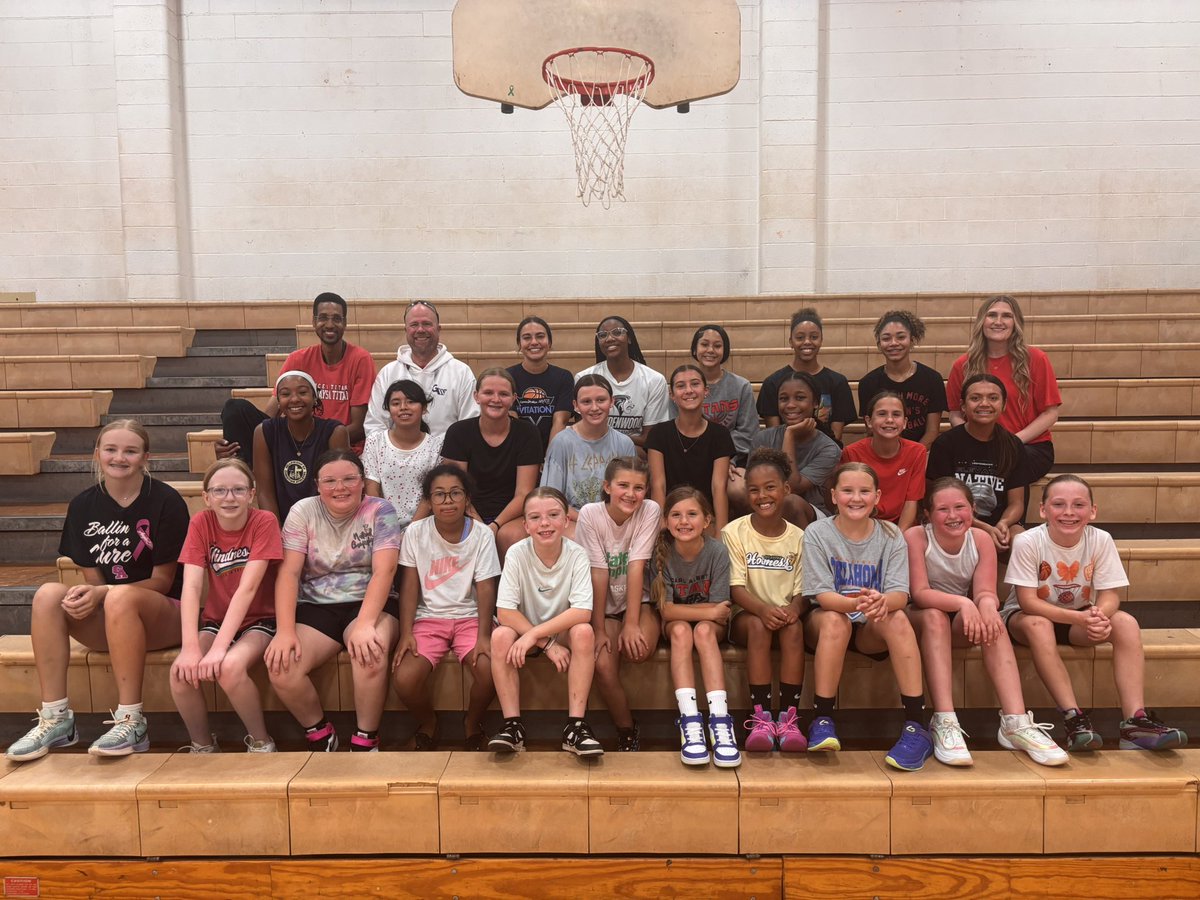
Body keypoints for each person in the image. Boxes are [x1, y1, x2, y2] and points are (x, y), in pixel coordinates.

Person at [6, 420, 189, 761]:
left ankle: (132, 720)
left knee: (119, 595)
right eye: (111, 449)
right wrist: (88, 597)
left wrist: (104, 593)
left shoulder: (166, 501)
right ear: (97, 454)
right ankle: (56, 718)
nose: (120, 457)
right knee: (48, 595)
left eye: (130, 451)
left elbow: (162, 582)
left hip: (167, 616)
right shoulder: (82, 506)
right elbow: (94, 582)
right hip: (116, 615)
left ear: (145, 457)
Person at [1002, 474, 1187, 752]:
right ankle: (1073, 718)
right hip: (1025, 619)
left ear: (1093, 511)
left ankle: (1135, 723)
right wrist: (1081, 618)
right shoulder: (1029, 541)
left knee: (1125, 622)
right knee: (1039, 624)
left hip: (1078, 617)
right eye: (1059, 504)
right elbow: (1028, 602)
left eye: (1078, 505)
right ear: (1042, 510)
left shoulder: (1101, 539)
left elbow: (1110, 595)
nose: (1068, 512)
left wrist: (1098, 616)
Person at [905, 477, 1068, 767]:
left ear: (973, 509)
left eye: (960, 507)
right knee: (934, 617)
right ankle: (944, 720)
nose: (953, 515)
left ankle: (1015, 722)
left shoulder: (980, 539)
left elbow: (985, 591)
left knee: (992, 621)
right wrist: (964, 603)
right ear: (928, 514)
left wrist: (988, 606)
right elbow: (919, 593)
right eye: (943, 509)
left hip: (959, 618)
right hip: (918, 619)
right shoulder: (916, 537)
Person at [266, 449, 401, 753]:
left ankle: (366, 738)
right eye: (329, 481)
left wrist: (365, 624)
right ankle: (320, 732)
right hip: (317, 605)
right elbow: (288, 573)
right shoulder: (303, 511)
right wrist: (284, 631)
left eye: (349, 479)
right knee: (281, 665)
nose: (340, 488)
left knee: (370, 649)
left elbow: (385, 571)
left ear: (362, 482)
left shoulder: (380, 510)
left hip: (370, 601)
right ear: (317, 484)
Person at [802, 462, 933, 771]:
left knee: (897, 618)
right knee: (835, 620)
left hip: (871, 625)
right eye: (847, 490)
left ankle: (916, 726)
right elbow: (822, 595)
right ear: (833, 496)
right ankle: (822, 720)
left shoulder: (890, 534)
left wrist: (882, 601)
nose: (856, 498)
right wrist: (858, 602)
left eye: (864, 491)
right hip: (826, 622)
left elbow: (900, 594)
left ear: (877, 496)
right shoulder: (817, 532)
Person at [171, 459, 282, 753]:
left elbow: (248, 588)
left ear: (251, 494)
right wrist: (190, 648)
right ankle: (203, 746)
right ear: (206, 497)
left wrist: (219, 648)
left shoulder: (264, 521)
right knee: (180, 672)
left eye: (238, 490)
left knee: (229, 668)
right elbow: (191, 587)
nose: (229, 497)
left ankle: (262, 743)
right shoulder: (201, 523)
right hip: (217, 620)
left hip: (261, 619)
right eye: (219, 490)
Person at [487, 488, 603, 757]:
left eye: (553, 515)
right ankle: (513, 726)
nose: (545, 523)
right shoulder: (517, 553)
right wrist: (545, 643)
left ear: (566, 520)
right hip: (527, 633)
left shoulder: (577, 554)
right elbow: (505, 612)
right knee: (500, 635)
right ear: (525, 525)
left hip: (557, 633)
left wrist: (537, 636)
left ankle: (575, 728)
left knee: (584, 631)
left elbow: (582, 612)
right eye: (535, 517)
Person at [393, 466, 500, 751]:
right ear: (428, 501)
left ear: (467, 499)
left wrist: (484, 636)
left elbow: (486, 588)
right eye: (439, 495)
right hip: (429, 619)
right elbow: (409, 587)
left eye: (455, 493)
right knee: (404, 679)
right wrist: (406, 633)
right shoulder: (415, 532)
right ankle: (428, 723)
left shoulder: (482, 535)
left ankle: (472, 724)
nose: (448, 501)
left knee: (490, 671)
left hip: (471, 618)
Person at [218, 291, 376, 463]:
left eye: (337, 319)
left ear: (345, 323)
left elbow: (358, 427)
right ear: (314, 322)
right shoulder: (297, 359)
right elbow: (269, 416)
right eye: (323, 318)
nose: (330, 324)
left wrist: (314, 442)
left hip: (332, 445)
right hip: (294, 441)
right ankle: (235, 465)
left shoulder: (360, 359)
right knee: (235, 409)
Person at [722, 449, 807, 754]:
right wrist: (762, 609)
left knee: (794, 629)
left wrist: (794, 609)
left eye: (770, 487)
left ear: (786, 489)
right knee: (759, 627)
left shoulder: (799, 537)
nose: (762, 496)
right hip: (746, 613)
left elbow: (802, 591)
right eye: (754, 490)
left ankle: (789, 719)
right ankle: (760, 718)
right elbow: (736, 588)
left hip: (785, 613)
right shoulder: (733, 532)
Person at [575, 457, 662, 751]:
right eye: (623, 485)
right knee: (602, 664)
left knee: (638, 650)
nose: (631, 494)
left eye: (639, 487)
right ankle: (627, 729)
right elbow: (598, 572)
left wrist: (632, 623)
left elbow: (636, 565)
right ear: (607, 486)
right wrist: (599, 629)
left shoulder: (650, 510)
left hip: (639, 600)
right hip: (604, 605)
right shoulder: (590, 514)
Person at [652, 486, 739, 767]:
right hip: (678, 624)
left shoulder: (717, 551)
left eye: (692, 514)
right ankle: (690, 721)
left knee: (702, 630)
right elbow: (666, 611)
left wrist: (708, 613)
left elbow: (722, 609)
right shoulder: (661, 552)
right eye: (676, 515)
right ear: (666, 521)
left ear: (707, 520)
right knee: (680, 630)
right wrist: (708, 610)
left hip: (710, 626)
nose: (684, 521)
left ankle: (720, 722)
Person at [946, 295, 1061, 482]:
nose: (998, 321)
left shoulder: (1036, 359)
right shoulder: (963, 364)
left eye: (1007, 316)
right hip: (979, 446)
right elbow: (955, 414)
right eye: (992, 315)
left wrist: (1011, 442)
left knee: (1005, 464)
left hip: (1027, 445)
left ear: (1016, 323)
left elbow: (1050, 413)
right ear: (982, 321)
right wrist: (973, 441)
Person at [441, 368, 543, 558]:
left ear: (513, 399)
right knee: (463, 534)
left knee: (510, 536)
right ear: (476, 396)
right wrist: (479, 524)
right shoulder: (458, 432)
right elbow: (455, 490)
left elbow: (524, 493)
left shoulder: (528, 433)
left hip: (512, 514)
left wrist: (494, 526)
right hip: (467, 510)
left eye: (503, 394)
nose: (496, 399)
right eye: (488, 392)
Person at [928, 374, 1029, 555]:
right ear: (963, 406)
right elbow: (939, 503)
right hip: (955, 520)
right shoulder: (946, 444)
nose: (984, 404)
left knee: (1021, 539)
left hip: (999, 523)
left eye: (993, 398)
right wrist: (983, 528)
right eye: (975, 398)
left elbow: (1017, 502)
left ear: (1004, 404)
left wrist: (1003, 523)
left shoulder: (1013, 445)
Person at [732, 370, 840, 527]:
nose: (790, 405)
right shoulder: (763, 438)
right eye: (783, 399)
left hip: (812, 515)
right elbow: (753, 486)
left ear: (816, 403)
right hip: (767, 504)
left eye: (800, 398)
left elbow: (792, 487)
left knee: (790, 501)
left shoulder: (828, 448)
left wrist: (789, 434)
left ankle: (803, 545)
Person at [540, 374, 636, 537]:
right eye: (586, 402)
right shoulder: (561, 442)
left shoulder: (624, 443)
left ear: (612, 402)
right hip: (573, 519)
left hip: (614, 518)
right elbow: (551, 497)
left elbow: (630, 493)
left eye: (601, 400)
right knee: (581, 538)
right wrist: (587, 521)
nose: (594, 407)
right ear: (575, 405)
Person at [365, 301, 478, 437]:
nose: (420, 330)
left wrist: (444, 449)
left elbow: (470, 424)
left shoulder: (461, 372)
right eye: (414, 325)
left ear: (439, 329)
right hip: (398, 450)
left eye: (427, 324)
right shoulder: (388, 373)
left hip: (449, 450)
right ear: (406, 330)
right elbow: (375, 426)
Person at [253, 371, 349, 525]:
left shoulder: (335, 432)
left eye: (302, 392)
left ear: (315, 398)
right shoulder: (264, 431)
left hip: (325, 523)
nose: (294, 399)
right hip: (281, 524)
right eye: (285, 394)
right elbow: (264, 492)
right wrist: (276, 531)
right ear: (278, 401)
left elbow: (340, 489)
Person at [647, 364, 735, 533]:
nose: (688, 390)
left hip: (705, 518)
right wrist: (662, 530)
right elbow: (658, 485)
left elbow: (718, 487)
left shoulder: (720, 434)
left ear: (706, 391)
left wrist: (721, 533)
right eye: (681, 386)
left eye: (695, 384)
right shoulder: (658, 434)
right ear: (672, 394)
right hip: (672, 517)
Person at [757, 308, 856, 443]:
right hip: (783, 451)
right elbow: (774, 436)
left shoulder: (838, 382)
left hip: (824, 451)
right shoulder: (773, 382)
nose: (807, 342)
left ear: (821, 340)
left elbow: (836, 436)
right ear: (791, 341)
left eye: (814, 337)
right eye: (800, 337)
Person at [362, 379, 444, 531]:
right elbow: (372, 490)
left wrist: (410, 532)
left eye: (411, 402)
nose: (403, 407)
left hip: (424, 527)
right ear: (388, 409)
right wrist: (389, 530)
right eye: (396, 403)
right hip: (382, 525)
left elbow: (430, 496)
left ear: (424, 408)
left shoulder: (437, 446)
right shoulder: (375, 441)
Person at [575, 315, 669, 448]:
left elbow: (650, 439)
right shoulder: (584, 378)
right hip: (594, 450)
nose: (609, 338)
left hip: (636, 453)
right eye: (602, 335)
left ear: (629, 338)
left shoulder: (654, 380)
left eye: (617, 332)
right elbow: (583, 433)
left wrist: (611, 438)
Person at [858, 310, 946, 447]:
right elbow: (872, 430)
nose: (894, 343)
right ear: (879, 344)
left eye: (901, 337)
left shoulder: (932, 379)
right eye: (886, 338)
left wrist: (912, 455)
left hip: (921, 452)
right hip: (884, 451)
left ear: (912, 340)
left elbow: (932, 432)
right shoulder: (868, 383)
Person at [840, 392, 927, 531]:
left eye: (896, 414)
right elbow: (854, 502)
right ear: (869, 421)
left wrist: (898, 538)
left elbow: (911, 502)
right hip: (865, 524)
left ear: (905, 422)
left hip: (902, 527)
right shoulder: (852, 452)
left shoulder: (917, 452)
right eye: (882, 414)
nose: (890, 420)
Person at [679, 324, 758, 466]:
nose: (710, 350)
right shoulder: (682, 387)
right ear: (694, 349)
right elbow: (676, 430)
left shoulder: (741, 386)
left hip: (732, 459)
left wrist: (724, 458)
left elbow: (748, 433)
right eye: (704, 344)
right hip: (691, 457)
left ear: (725, 351)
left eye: (717, 346)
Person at [508, 316, 574, 452]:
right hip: (518, 452)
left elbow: (560, 421)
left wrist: (550, 458)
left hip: (553, 451)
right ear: (519, 344)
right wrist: (527, 458)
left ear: (549, 342)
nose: (534, 342)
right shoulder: (508, 377)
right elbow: (513, 423)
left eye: (540, 336)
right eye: (527, 337)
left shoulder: (564, 377)